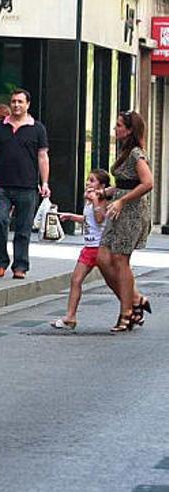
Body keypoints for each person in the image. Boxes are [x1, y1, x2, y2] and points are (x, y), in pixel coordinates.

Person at [0, 88, 51, 280]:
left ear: (28, 104)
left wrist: (44, 182)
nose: (16, 105)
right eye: (13, 101)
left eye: (20, 102)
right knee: (0, 221)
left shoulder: (37, 128)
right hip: (2, 185)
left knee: (23, 227)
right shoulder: (0, 128)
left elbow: (42, 156)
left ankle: (20, 266)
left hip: (27, 186)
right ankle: (0, 263)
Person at [97, 111, 154, 333]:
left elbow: (147, 183)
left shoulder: (137, 154)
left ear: (129, 130)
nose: (115, 129)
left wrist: (122, 201)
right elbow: (125, 182)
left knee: (121, 260)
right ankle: (136, 299)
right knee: (102, 258)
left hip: (131, 211)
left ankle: (126, 312)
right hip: (117, 208)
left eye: (119, 126)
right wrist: (106, 192)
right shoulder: (124, 151)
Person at [50, 170, 111, 329]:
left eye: (92, 181)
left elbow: (99, 219)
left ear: (102, 186)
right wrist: (71, 216)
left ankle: (133, 305)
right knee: (75, 280)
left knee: (115, 282)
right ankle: (70, 317)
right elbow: (88, 219)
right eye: (88, 180)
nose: (88, 183)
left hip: (100, 248)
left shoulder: (102, 200)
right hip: (88, 248)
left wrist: (96, 201)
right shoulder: (89, 201)